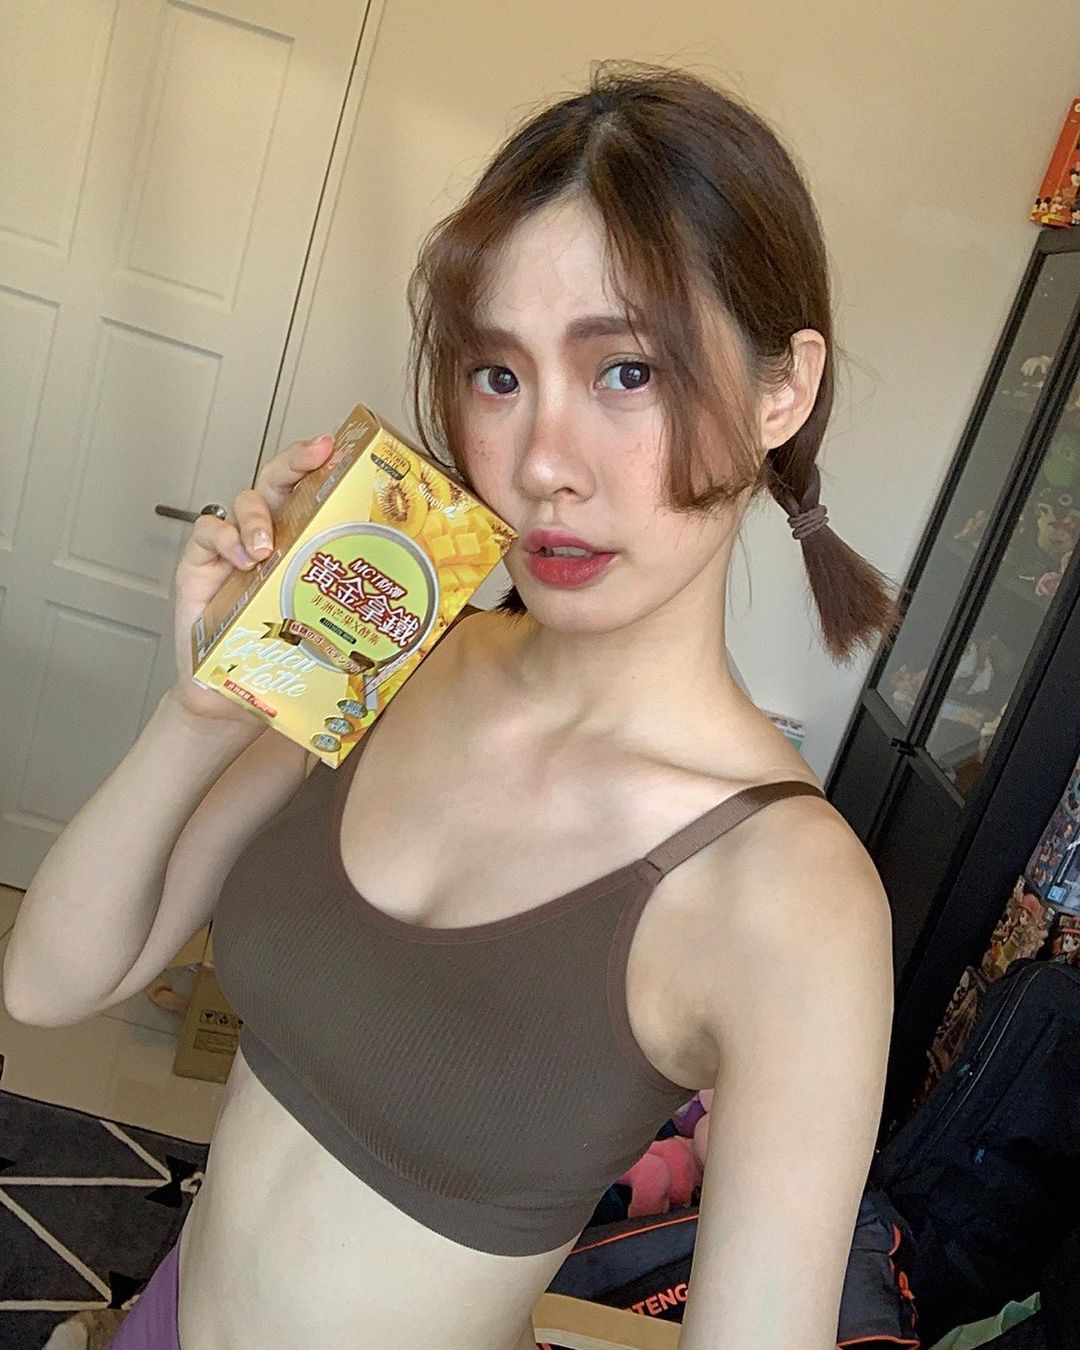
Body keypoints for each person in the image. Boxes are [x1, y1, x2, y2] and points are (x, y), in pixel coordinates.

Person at [4, 60, 897, 1350]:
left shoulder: (791, 897)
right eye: (497, 374)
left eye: (627, 372)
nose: (541, 463)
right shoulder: (399, 657)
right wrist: (207, 711)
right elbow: (51, 982)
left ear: (781, 390)